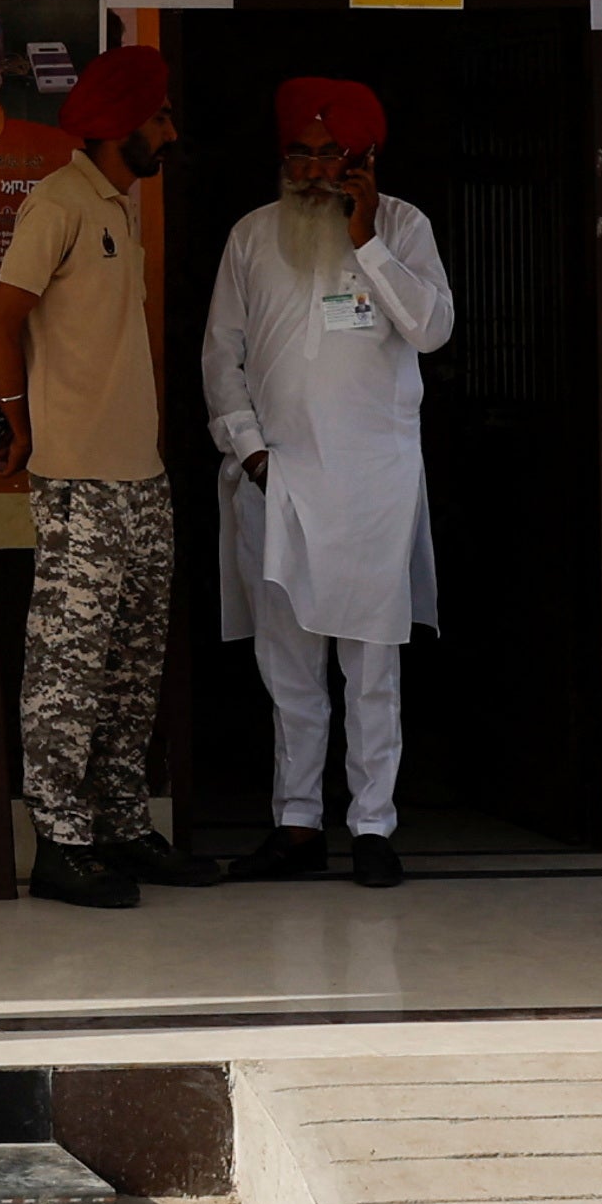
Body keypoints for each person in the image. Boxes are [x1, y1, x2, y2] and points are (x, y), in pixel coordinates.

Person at [201, 78, 458, 888]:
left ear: (365, 160)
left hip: (373, 488)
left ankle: (374, 826)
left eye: (332, 155)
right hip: (277, 481)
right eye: (301, 154)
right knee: (289, 668)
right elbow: (221, 355)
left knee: (372, 671)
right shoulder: (251, 234)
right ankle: (298, 823)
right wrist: (248, 449)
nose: (314, 170)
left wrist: (367, 237)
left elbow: (431, 327)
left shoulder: (404, 226)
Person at [0, 45, 217, 907]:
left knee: (130, 664)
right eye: (159, 117)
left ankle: (120, 824)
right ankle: (60, 841)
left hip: (141, 477)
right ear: (122, 127)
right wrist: (19, 422)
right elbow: (0, 324)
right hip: (79, 479)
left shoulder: (125, 198)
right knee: (67, 667)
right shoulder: (58, 203)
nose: (171, 130)